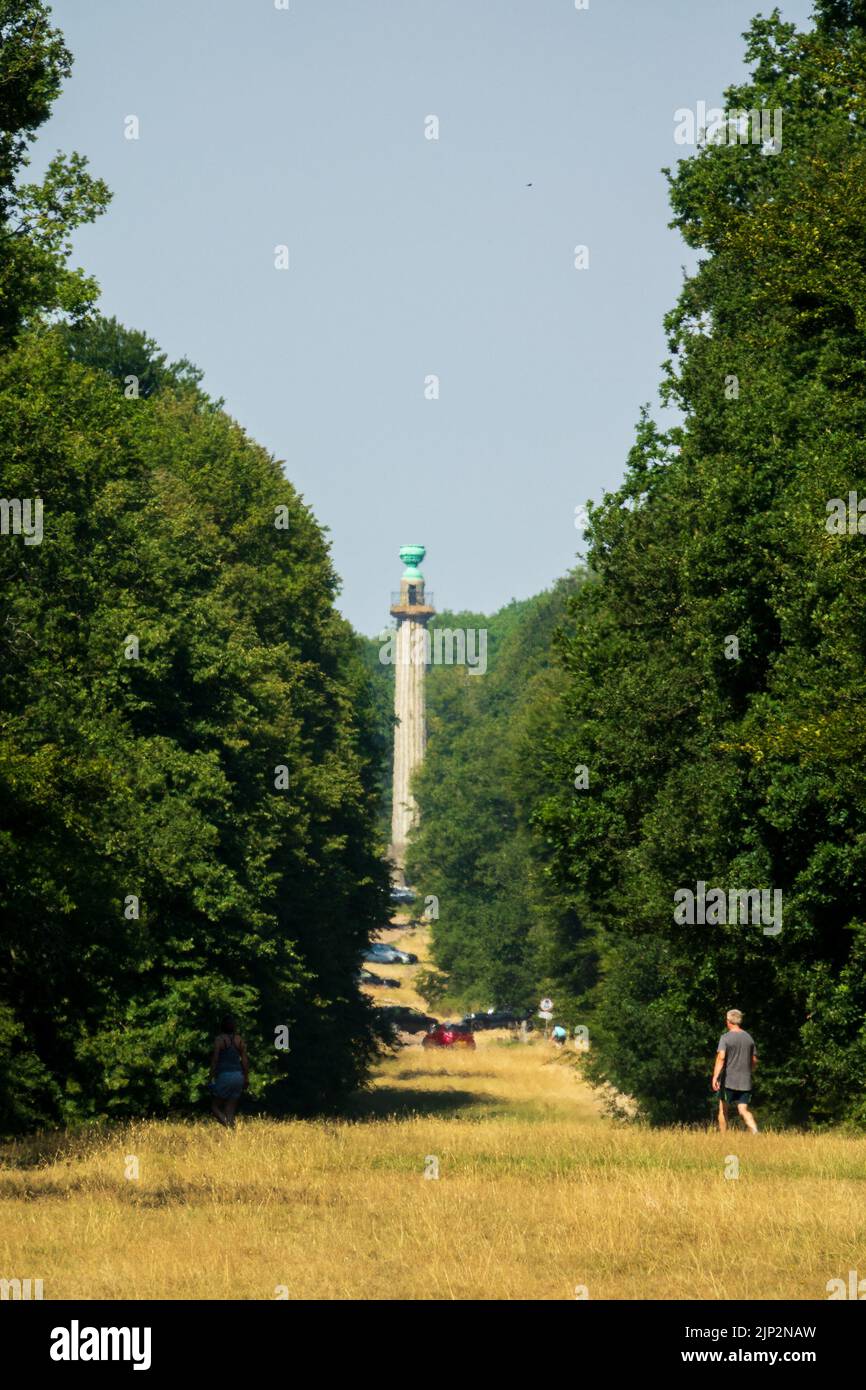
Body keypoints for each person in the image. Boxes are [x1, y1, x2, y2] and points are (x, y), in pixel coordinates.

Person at [712, 1009, 758, 1133]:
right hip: (745, 1081)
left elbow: (721, 1057)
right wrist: (749, 1071)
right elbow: (754, 1060)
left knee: (723, 1110)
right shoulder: (749, 1038)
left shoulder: (725, 1038)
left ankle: (723, 1138)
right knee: (743, 1110)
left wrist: (715, 1076)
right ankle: (755, 1131)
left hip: (728, 1081)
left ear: (729, 1021)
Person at [209, 1014, 249, 1128]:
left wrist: (210, 1077)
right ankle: (232, 1135)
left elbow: (215, 1060)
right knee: (230, 1110)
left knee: (215, 1107)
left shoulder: (219, 1040)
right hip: (238, 1076)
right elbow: (245, 1061)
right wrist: (246, 1078)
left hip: (224, 1076)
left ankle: (228, 1127)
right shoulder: (239, 1040)